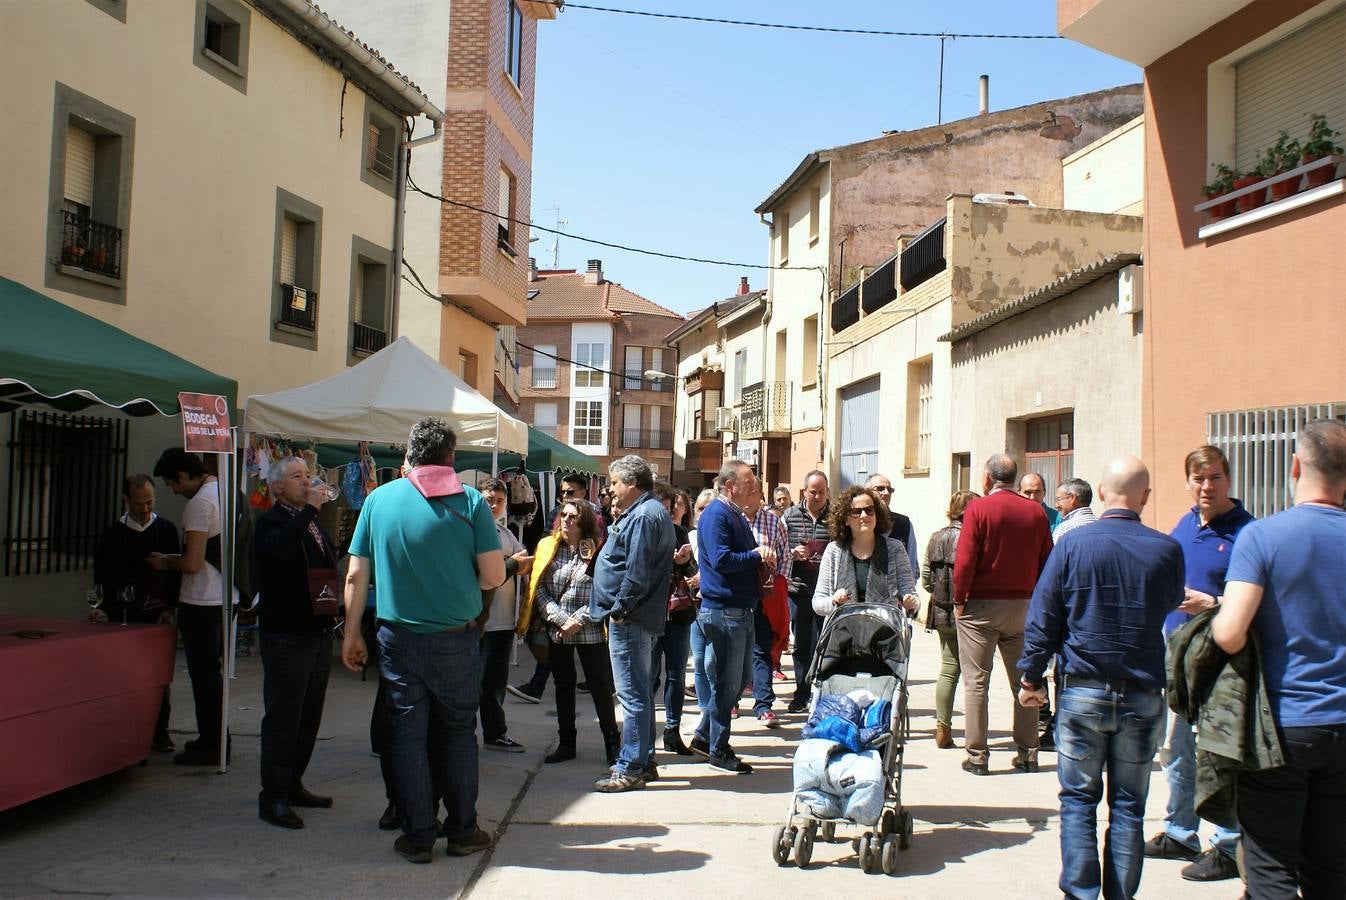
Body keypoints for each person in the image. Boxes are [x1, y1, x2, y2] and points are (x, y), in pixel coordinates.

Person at [1018, 455, 1184, 900]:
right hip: (1143, 693)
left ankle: (1081, 893)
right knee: (1129, 808)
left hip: (1083, 691)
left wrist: (1030, 678)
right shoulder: (1166, 549)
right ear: (1144, 497)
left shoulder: (1072, 545)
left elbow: (1044, 616)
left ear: (1103, 493)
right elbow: (1170, 601)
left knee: (1078, 802)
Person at [341, 418, 505, 864]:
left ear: (408, 454)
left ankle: (417, 835)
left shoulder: (378, 500)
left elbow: (356, 573)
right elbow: (494, 574)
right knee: (457, 734)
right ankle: (462, 830)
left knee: (407, 735)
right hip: (456, 638)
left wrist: (352, 632)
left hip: (398, 639)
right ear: (450, 457)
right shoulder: (470, 501)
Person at [1211, 419, 1346, 898]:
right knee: (1331, 870)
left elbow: (1228, 633)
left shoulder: (1263, 537)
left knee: (1270, 871)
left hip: (1282, 727)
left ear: (1294, 467)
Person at [1143, 446, 1253, 882]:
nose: (1207, 486)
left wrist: (1214, 602)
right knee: (1178, 751)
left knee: (1220, 754)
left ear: (1229, 480)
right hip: (1178, 659)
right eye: (1199, 478)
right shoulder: (1185, 525)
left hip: (1224, 664)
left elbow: (1257, 601)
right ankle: (1181, 831)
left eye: (1215, 478)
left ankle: (1228, 845)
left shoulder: (1248, 533)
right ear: (1188, 482)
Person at [952, 453, 1052, 775]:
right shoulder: (1035, 511)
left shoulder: (978, 509)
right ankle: (1028, 752)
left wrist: (959, 599)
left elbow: (965, 560)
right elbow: (1046, 560)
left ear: (986, 479)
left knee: (976, 682)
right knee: (1024, 679)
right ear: (1014, 478)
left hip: (980, 606)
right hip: (1023, 606)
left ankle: (978, 757)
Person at [253, 456, 338, 830]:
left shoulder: (311, 521)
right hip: (286, 633)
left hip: (316, 631)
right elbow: (281, 551)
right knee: (284, 717)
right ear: (276, 486)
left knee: (308, 716)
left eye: (308, 475)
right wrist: (308, 513)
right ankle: (272, 795)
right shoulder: (273, 521)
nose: (306, 482)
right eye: (296, 476)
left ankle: (293, 782)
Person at [588, 455, 675, 793]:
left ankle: (631, 767)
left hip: (632, 619)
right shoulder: (648, 512)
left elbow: (637, 573)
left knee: (632, 695)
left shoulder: (643, 516)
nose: (610, 489)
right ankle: (643, 759)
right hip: (639, 617)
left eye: (614, 483)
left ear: (632, 484)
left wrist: (620, 609)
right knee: (638, 692)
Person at [149, 448, 237, 767]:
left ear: (183, 476)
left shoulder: (199, 504)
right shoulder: (228, 490)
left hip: (202, 598)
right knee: (212, 674)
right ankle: (216, 738)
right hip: (226, 595)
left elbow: (192, 562)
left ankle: (212, 741)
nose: (172, 490)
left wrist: (164, 562)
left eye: (172, 484)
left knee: (204, 676)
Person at [692, 460, 777, 773]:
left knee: (739, 680)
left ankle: (704, 735)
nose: (754, 487)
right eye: (748, 481)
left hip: (739, 609)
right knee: (729, 683)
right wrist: (756, 555)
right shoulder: (717, 515)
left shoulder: (734, 515)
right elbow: (721, 559)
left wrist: (760, 560)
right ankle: (718, 749)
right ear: (730, 486)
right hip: (724, 611)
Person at [92, 473, 181, 752]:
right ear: (126, 500)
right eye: (139, 503)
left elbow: (175, 574)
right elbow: (101, 576)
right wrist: (103, 609)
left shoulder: (166, 529)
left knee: (158, 677)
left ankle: (160, 731)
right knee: (124, 675)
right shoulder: (112, 535)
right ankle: (127, 731)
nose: (145, 509)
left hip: (157, 613)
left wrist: (169, 606)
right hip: (123, 614)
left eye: (150, 502)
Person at [530, 498, 620, 766]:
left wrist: (578, 619)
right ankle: (567, 742)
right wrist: (559, 619)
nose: (566, 520)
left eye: (573, 516)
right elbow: (539, 588)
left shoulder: (599, 550)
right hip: (559, 630)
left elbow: (604, 592)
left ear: (585, 522)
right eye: (564, 515)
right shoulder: (550, 547)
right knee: (563, 686)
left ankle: (612, 744)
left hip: (589, 629)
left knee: (600, 687)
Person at [477, 478, 533, 754]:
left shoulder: (504, 532)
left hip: (503, 620)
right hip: (479, 621)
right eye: (489, 499)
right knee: (476, 683)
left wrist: (520, 565)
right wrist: (513, 564)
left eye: (499, 500)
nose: (494, 505)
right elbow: (486, 575)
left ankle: (494, 733)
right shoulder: (473, 531)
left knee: (495, 684)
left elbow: (520, 563)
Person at [922, 490, 977, 750]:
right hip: (970, 611)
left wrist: (939, 594)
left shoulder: (935, 537)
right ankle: (978, 732)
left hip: (941, 610)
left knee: (948, 668)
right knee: (977, 674)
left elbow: (925, 578)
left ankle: (943, 727)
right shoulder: (973, 536)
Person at [812, 485, 918, 618]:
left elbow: (911, 594)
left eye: (869, 510)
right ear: (845, 519)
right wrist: (834, 600)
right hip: (844, 632)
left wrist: (911, 602)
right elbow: (818, 603)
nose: (864, 515)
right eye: (856, 511)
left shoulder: (895, 548)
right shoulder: (834, 551)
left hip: (884, 633)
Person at [650, 483, 699, 754]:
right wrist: (669, 560)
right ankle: (647, 733)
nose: (668, 515)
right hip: (651, 613)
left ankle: (672, 730)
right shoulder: (644, 532)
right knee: (649, 676)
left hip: (678, 613)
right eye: (664, 509)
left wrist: (684, 563)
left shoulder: (680, 532)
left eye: (671, 510)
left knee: (676, 675)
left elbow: (692, 570)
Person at [783, 470, 831, 713]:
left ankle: (822, 693)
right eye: (813, 492)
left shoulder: (835, 517)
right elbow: (780, 548)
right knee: (802, 643)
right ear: (804, 492)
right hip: (799, 589)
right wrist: (793, 553)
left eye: (822, 492)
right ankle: (801, 692)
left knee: (826, 643)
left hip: (827, 591)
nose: (818, 496)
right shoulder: (790, 516)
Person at [743, 476, 790, 728]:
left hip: (764, 597)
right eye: (746, 490)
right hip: (738, 596)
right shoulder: (733, 521)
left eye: (754, 491)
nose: (750, 496)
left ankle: (764, 705)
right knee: (736, 652)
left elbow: (786, 557)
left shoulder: (774, 522)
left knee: (762, 649)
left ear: (761, 494)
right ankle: (732, 701)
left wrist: (778, 582)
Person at [866, 473, 918, 572]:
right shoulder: (860, 521)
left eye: (889, 490)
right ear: (867, 492)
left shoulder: (904, 523)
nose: (886, 493)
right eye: (880, 488)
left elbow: (911, 563)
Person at [1052, 477, 1097, 543]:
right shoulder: (1103, 526)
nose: (1056, 505)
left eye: (1058, 500)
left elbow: (1054, 552)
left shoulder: (1064, 530)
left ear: (1072, 498)